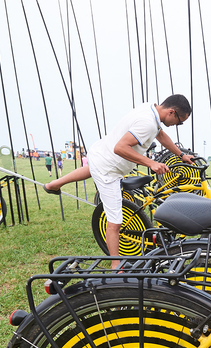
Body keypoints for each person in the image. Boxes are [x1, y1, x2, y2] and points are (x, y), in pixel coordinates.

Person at [45, 94, 194, 268]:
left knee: (92, 168)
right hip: (109, 171)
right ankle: (116, 265)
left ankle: (54, 184)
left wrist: (181, 155)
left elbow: (160, 135)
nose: (177, 125)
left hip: (101, 154)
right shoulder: (147, 123)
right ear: (171, 112)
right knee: (115, 221)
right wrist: (151, 163)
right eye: (179, 122)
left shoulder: (150, 110)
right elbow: (120, 147)